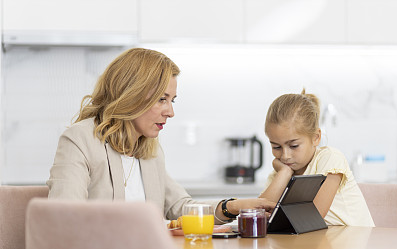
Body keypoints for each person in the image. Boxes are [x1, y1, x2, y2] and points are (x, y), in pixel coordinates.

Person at [47, 47, 274, 224]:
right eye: (161, 99)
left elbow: (179, 207)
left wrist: (231, 207)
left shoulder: (148, 149)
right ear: (131, 95)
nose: (171, 112)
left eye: (172, 100)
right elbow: (65, 219)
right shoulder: (80, 140)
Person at [259, 89, 375, 226]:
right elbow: (257, 215)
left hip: (355, 243)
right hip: (319, 243)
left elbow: (313, 216)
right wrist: (284, 173)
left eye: (294, 146)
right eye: (276, 147)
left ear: (316, 138)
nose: (285, 156)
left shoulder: (330, 159)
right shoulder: (280, 174)